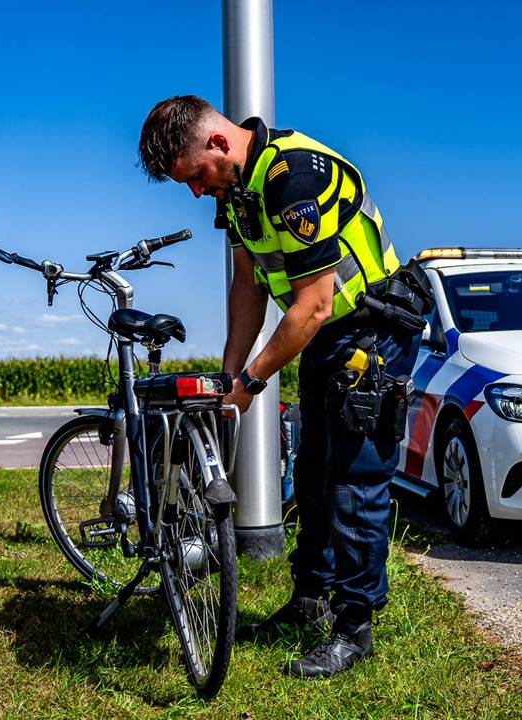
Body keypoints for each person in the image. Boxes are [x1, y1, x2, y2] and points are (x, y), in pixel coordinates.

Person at [138, 95, 423, 678]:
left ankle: (354, 626)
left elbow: (314, 304)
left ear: (218, 144)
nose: (195, 192)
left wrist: (250, 382)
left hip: (372, 329)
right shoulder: (237, 193)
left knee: (352, 480)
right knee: (313, 473)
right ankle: (309, 601)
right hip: (327, 336)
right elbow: (248, 288)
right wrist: (229, 369)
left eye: (194, 176)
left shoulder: (294, 178)